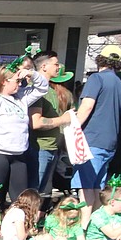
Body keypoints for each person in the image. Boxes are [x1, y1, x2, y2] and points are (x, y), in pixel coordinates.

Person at [0, 66, 50, 208]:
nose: (20, 84)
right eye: (17, 81)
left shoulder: (21, 99)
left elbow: (43, 88)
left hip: (19, 155)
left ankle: (18, 226)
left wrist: (31, 74)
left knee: (21, 198)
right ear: (4, 81)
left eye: (21, 81)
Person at [71, 45, 121, 224]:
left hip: (92, 140)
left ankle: (84, 228)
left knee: (86, 187)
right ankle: (95, 227)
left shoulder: (96, 79)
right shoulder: (119, 83)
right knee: (96, 187)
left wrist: (73, 129)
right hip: (109, 143)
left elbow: (87, 106)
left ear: (99, 60)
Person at [28, 53, 74, 209]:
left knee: (41, 192)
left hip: (53, 147)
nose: (58, 67)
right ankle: (24, 227)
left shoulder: (53, 92)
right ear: (44, 66)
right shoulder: (38, 91)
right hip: (39, 148)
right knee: (33, 192)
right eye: (55, 64)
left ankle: (33, 223)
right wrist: (63, 120)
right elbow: (36, 122)